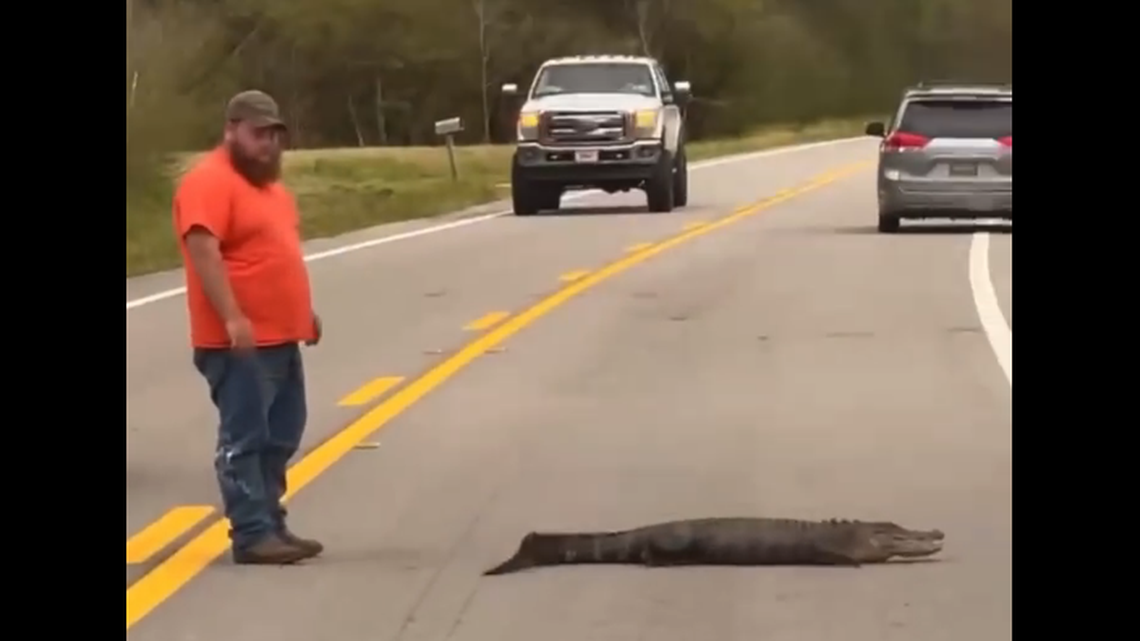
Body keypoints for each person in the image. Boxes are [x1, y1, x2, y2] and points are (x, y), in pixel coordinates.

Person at [172, 89, 324, 565]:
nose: (268, 145)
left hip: (281, 336)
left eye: (275, 135)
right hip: (237, 342)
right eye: (259, 134)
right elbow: (203, 251)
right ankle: (252, 533)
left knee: (283, 433)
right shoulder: (208, 182)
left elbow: (277, 255)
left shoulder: (270, 188)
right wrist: (234, 316)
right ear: (231, 130)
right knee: (245, 438)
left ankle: (271, 522)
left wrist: (305, 311)